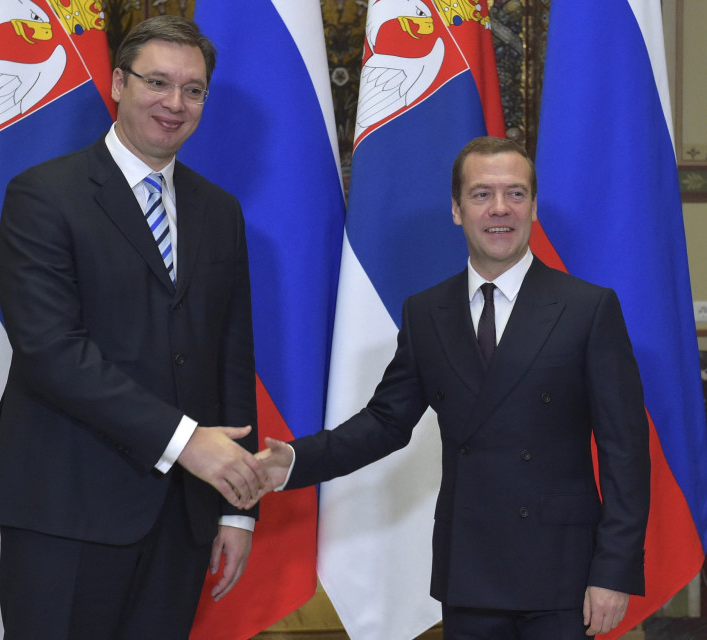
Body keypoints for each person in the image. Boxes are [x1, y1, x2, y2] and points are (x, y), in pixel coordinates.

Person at [258, 137, 650, 639]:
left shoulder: (588, 309)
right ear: (457, 210)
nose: (500, 208)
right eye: (482, 194)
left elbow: (626, 454)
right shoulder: (426, 313)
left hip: (563, 576)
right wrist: (293, 460)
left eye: (515, 193)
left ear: (533, 206)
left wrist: (613, 572)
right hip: (470, 572)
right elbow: (384, 423)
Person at [0, 16, 266, 639]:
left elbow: (231, 359)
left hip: (182, 519)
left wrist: (238, 509)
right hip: (66, 509)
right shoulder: (43, 195)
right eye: (158, 82)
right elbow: (51, 352)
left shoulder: (219, 210)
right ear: (117, 82)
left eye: (193, 90)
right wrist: (188, 441)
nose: (175, 103)